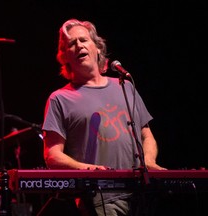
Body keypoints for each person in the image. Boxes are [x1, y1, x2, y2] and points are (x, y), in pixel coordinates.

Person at [41, 18, 167, 216]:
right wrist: (90, 169)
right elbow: (52, 155)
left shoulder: (125, 87)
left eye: (83, 40)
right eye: (71, 44)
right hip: (100, 197)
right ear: (65, 57)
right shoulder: (60, 98)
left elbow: (146, 135)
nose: (79, 46)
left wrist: (149, 162)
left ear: (98, 48)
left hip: (141, 194)